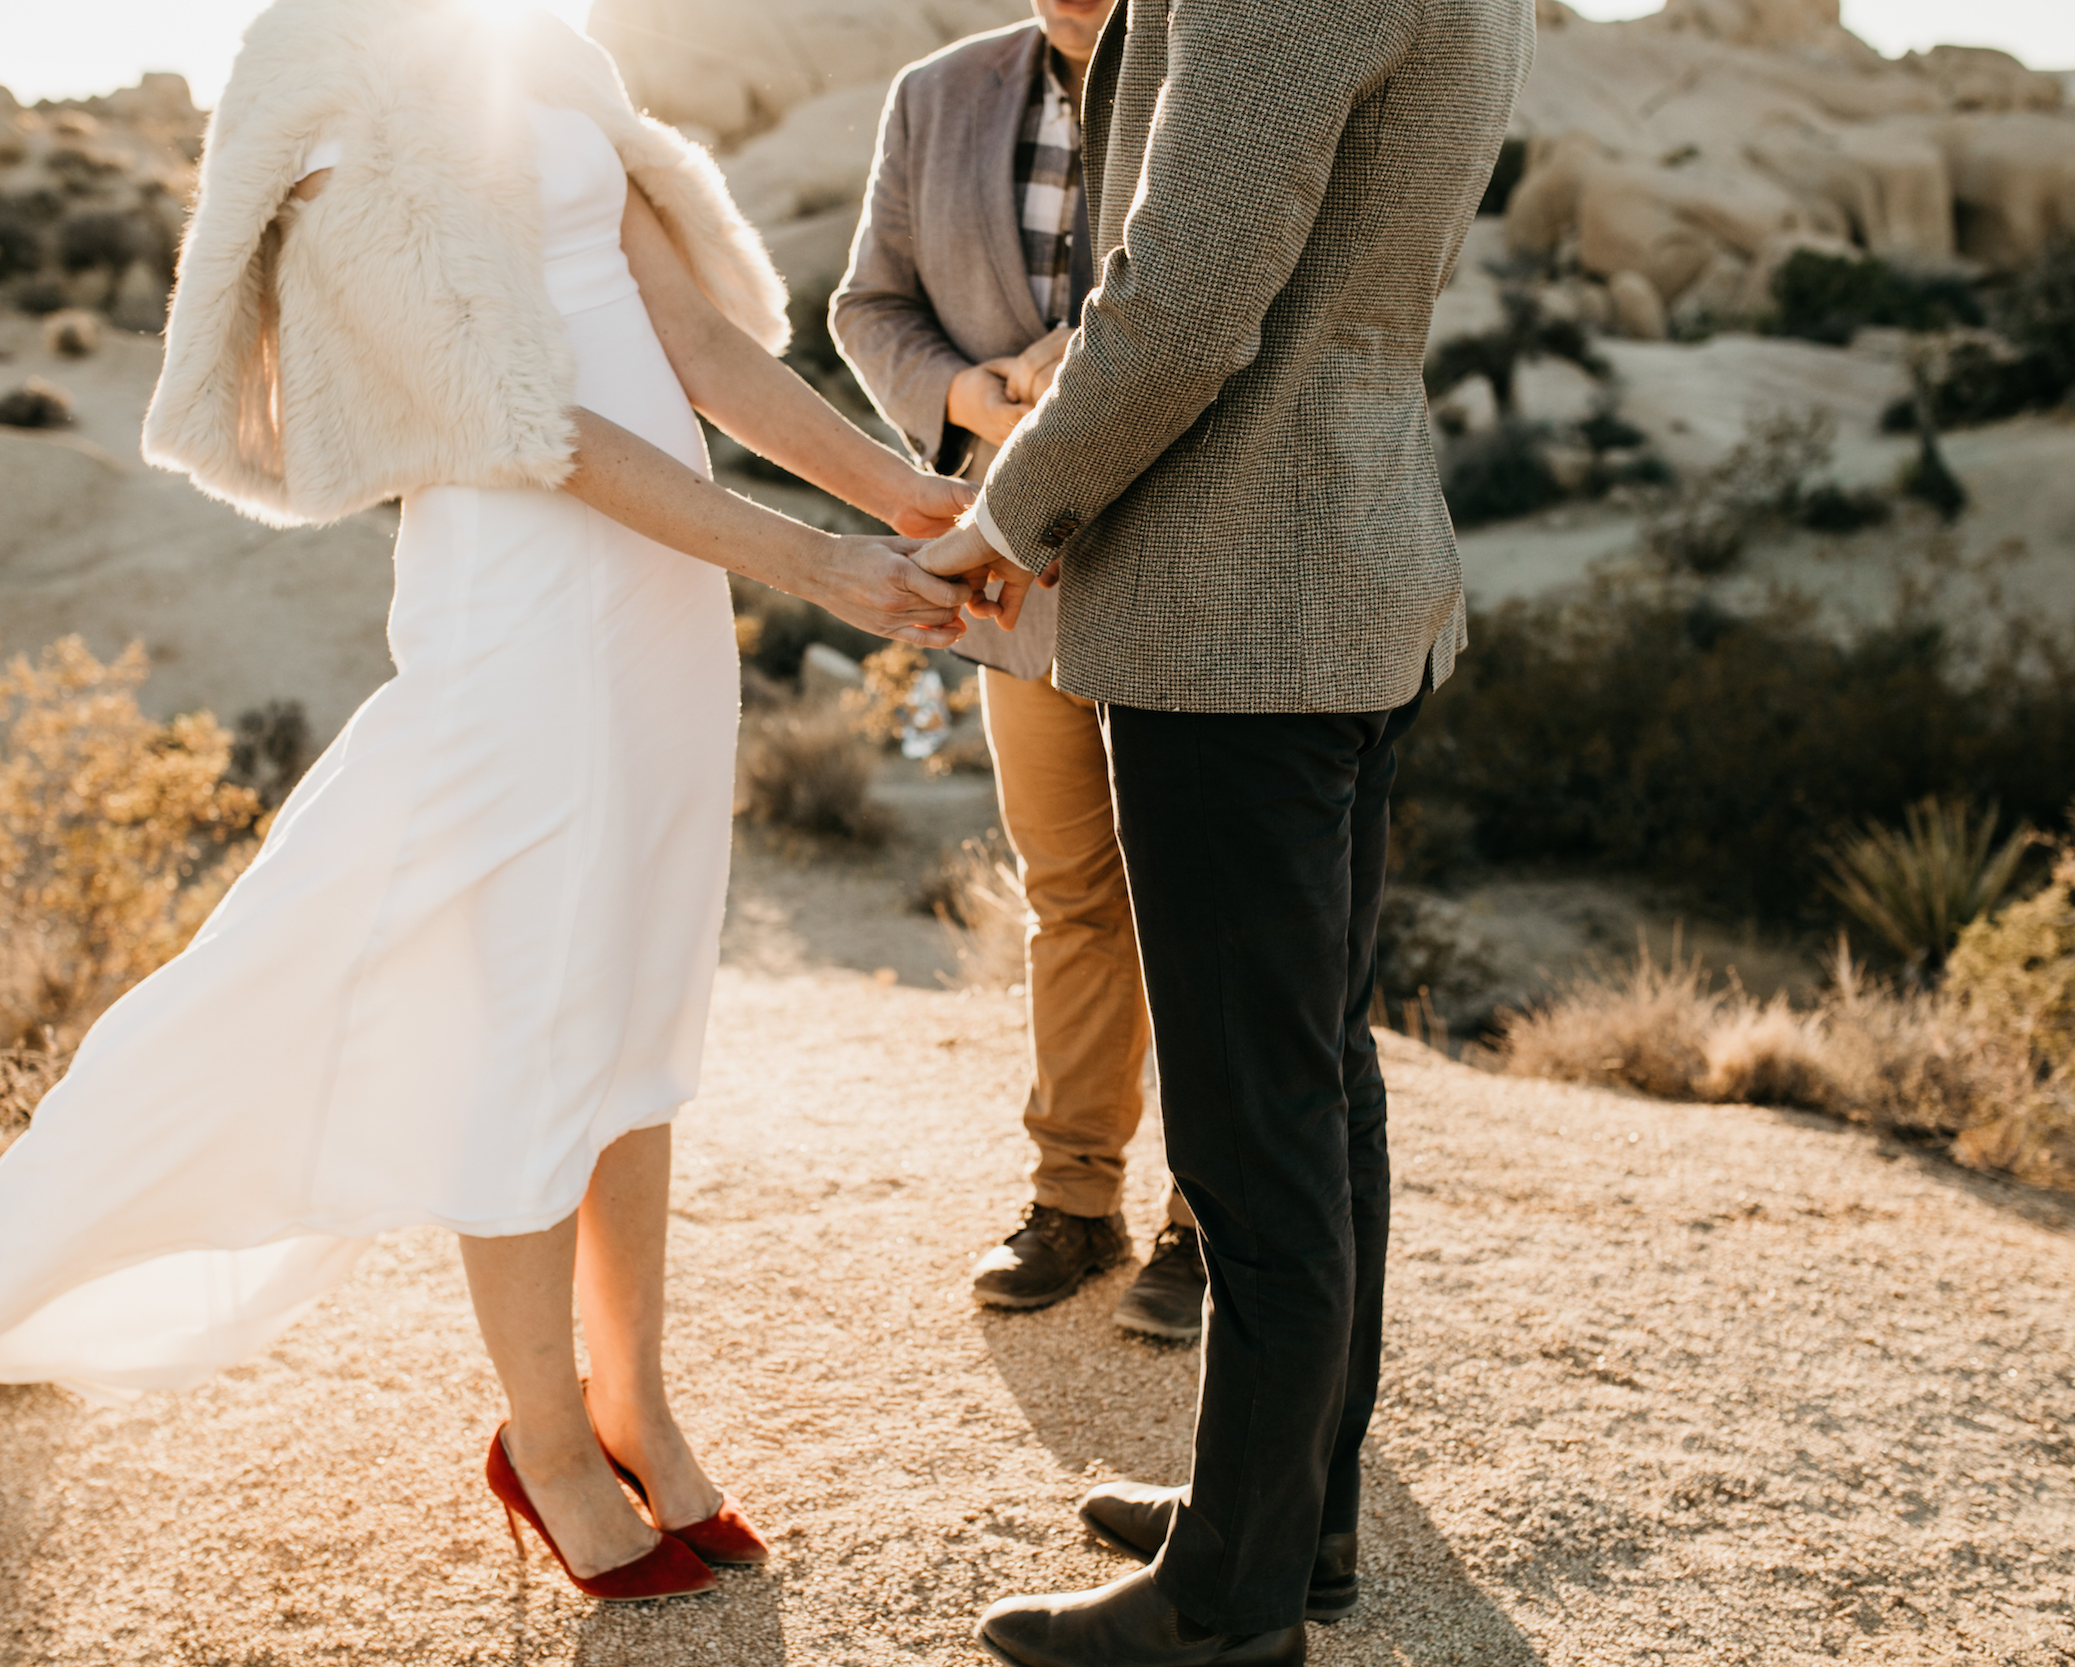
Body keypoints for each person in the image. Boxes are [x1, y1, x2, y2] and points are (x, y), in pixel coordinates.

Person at [0, 0, 973, 1608]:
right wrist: (816, 566)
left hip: (671, 600)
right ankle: (546, 1439)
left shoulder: (548, 47)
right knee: (531, 1011)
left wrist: (916, 504)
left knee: (637, 1006)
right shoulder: (317, 77)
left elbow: (701, 346)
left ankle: (637, 1406)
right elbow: (503, 406)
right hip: (525, 598)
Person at [917, 1, 1536, 1662]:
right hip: (1354, 574)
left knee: (1259, 1125)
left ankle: (1233, 1605)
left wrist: (1009, 518)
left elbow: (1184, 305)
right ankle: (1287, 1512)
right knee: (1317, 1086)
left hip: (1238, 616)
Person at [831, 0, 1203, 1342]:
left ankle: (1208, 1225)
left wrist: (1075, 395)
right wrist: (976, 400)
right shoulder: (941, 94)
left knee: (1205, 908)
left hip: (1191, 557)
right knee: (1072, 898)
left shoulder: (1216, 55)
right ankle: (1075, 1201)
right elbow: (866, 302)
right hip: (1015, 575)